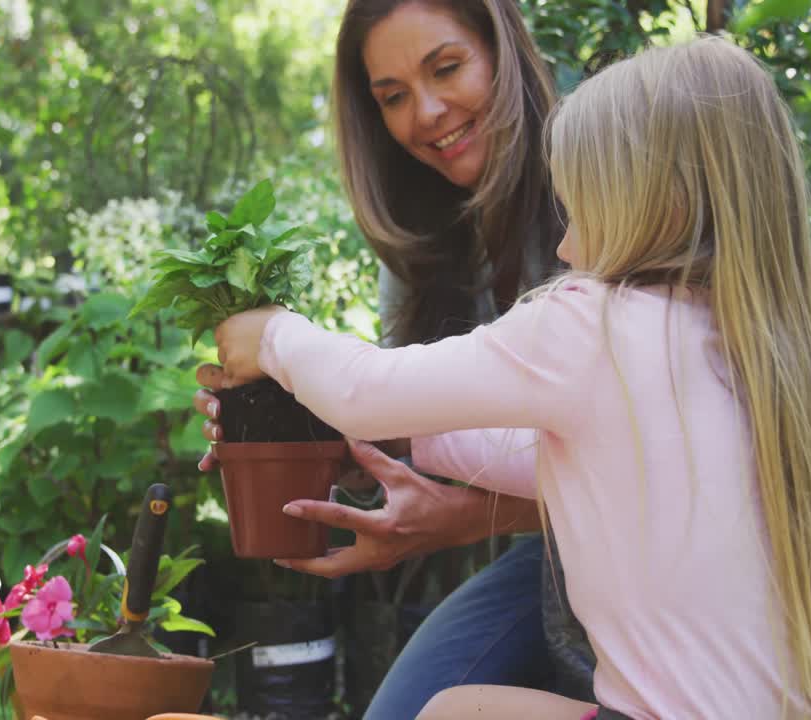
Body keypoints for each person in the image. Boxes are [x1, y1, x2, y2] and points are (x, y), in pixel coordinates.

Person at [212, 36, 811, 718]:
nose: (564, 245)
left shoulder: (595, 326)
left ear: (657, 204)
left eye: (580, 212)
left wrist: (272, 335)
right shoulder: (750, 352)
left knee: (449, 712)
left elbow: (364, 391)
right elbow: (560, 459)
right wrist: (406, 444)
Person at [195, 0, 593, 716]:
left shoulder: (597, 192)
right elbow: (416, 430)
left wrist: (466, 518)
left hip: (649, 552)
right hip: (548, 552)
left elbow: (641, 458)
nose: (428, 113)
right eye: (393, 97)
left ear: (502, 50)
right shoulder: (421, 240)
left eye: (447, 68)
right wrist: (319, 440)